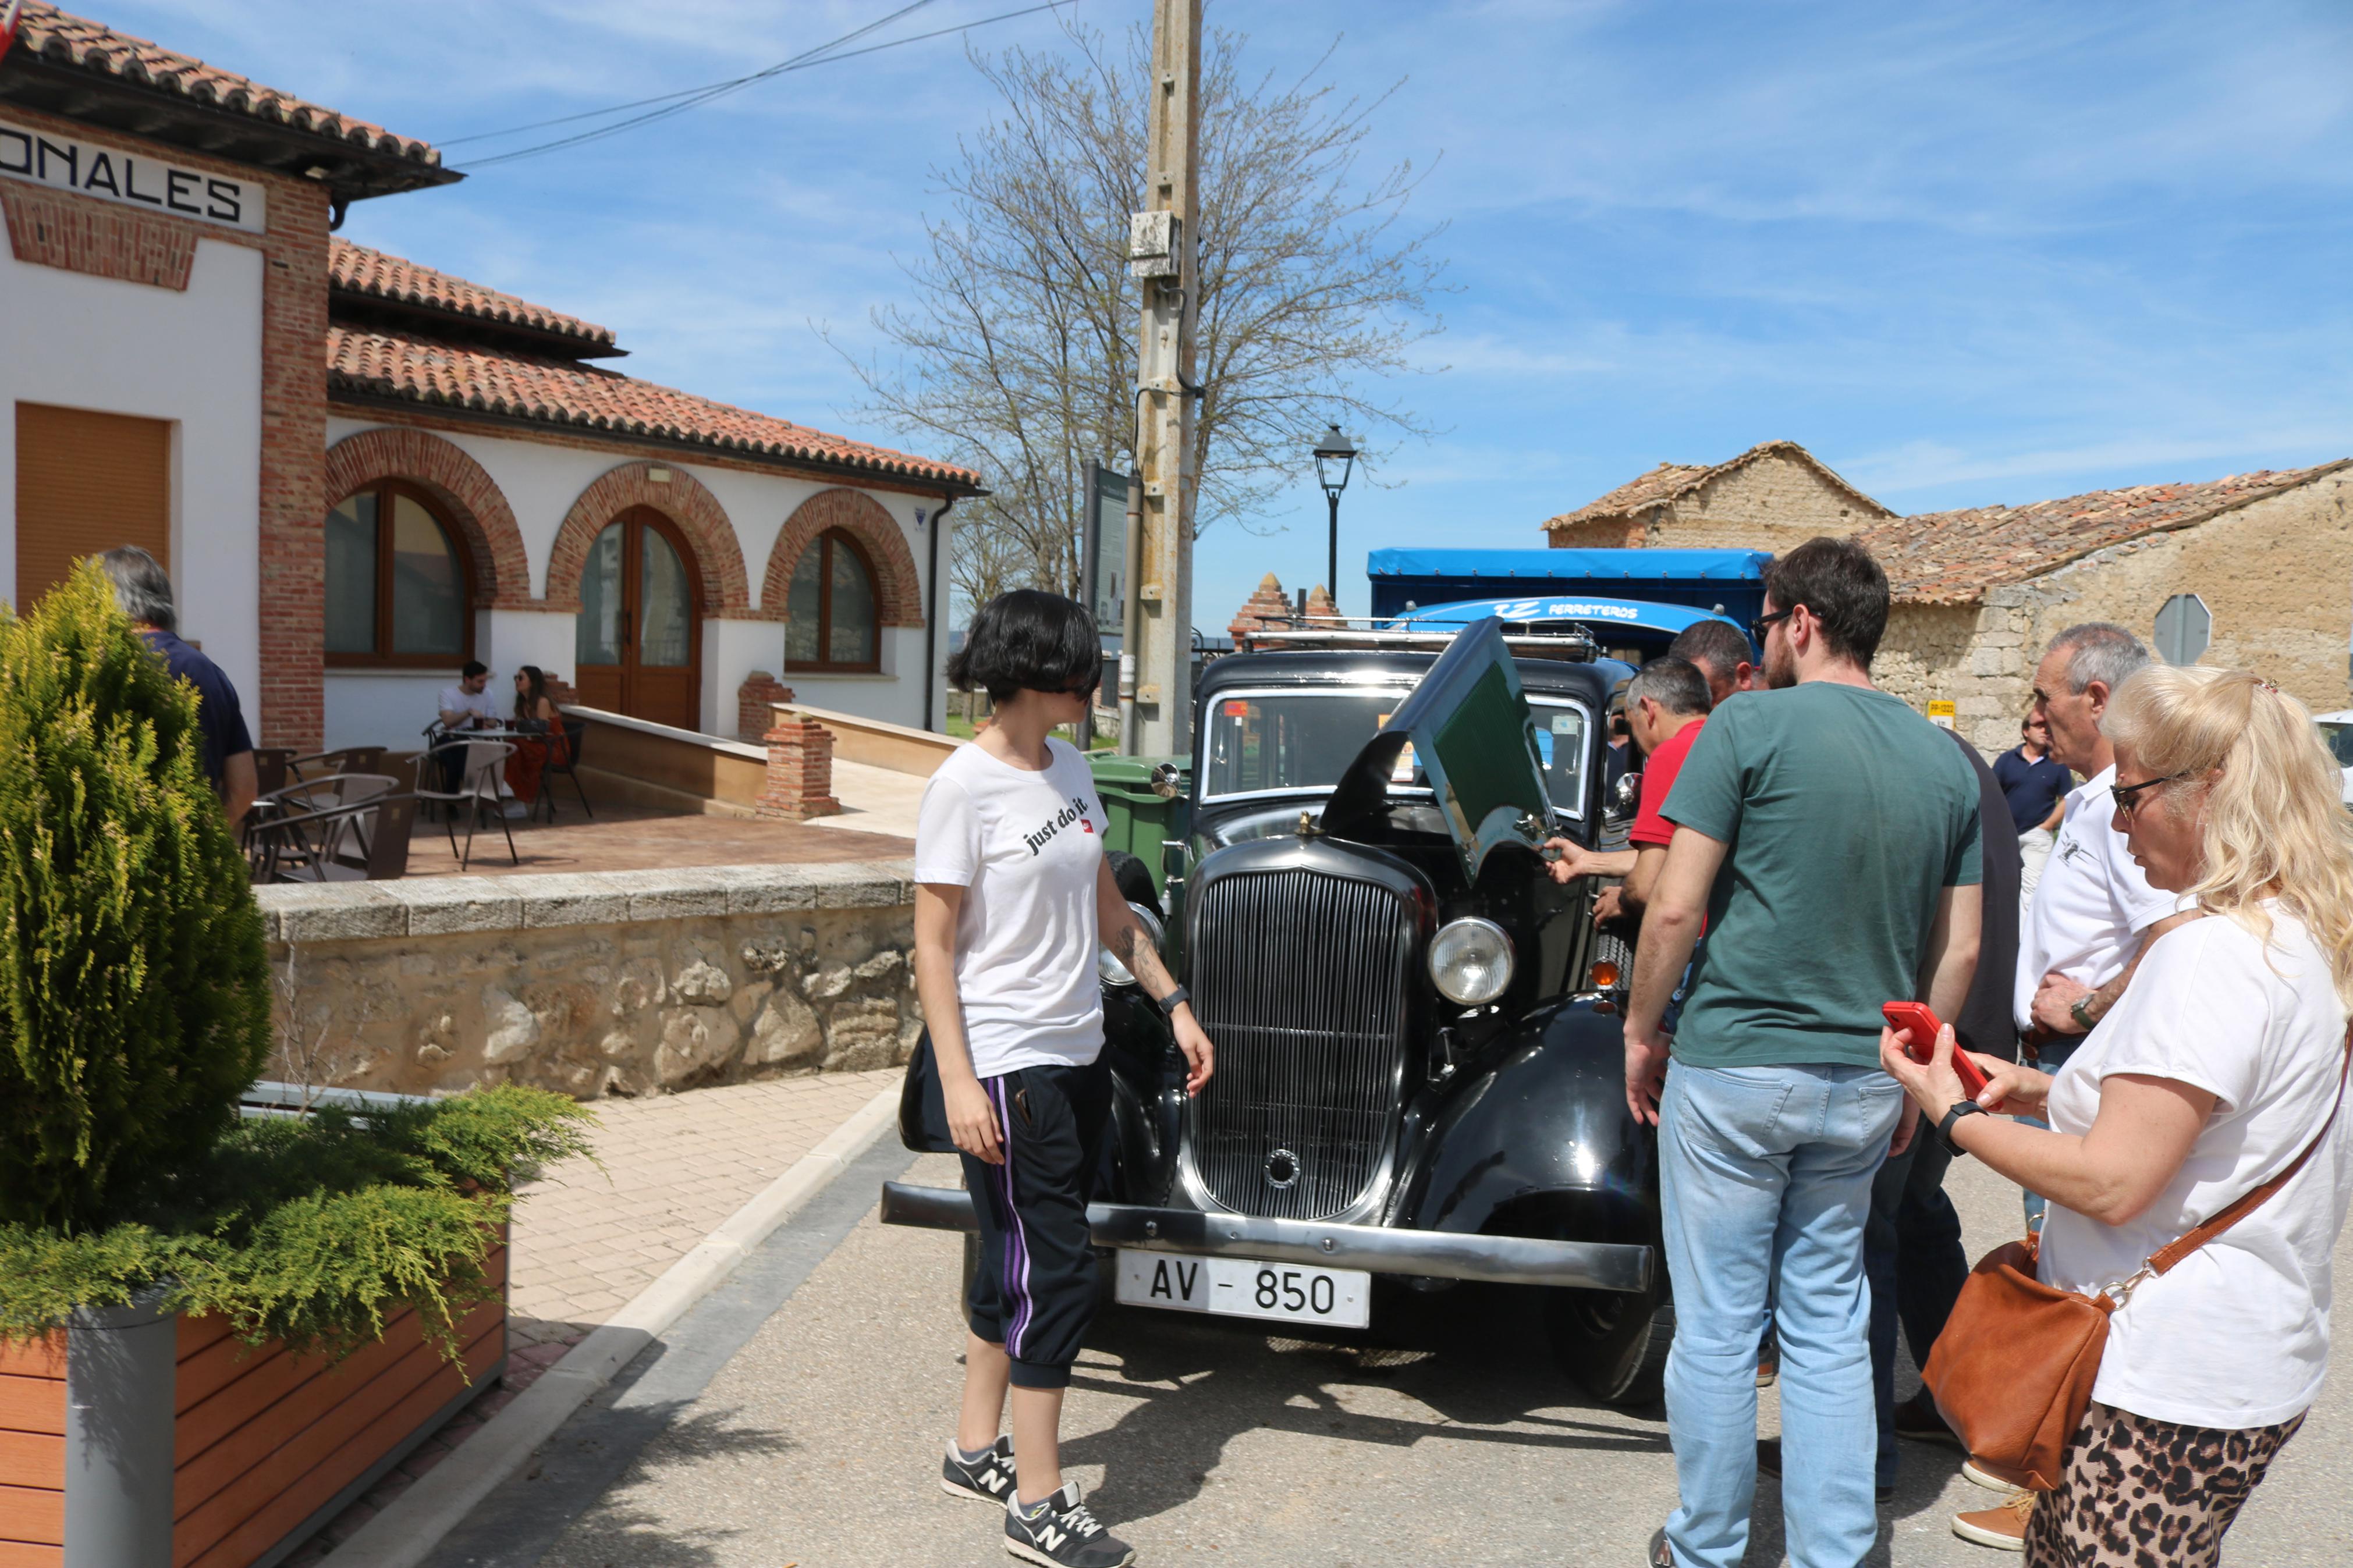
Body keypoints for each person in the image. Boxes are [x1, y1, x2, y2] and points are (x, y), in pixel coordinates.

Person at [1883, 666, 2353, 1566]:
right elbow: (2221, 1116)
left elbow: (2113, 1178)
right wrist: (2036, 1090)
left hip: (2166, 1375)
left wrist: (1950, 1115)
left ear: (2205, 791)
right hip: (2235, 1358)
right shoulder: (2293, 929)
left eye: (2129, 790)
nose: (2113, 812)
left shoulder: (2208, 955)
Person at [1628, 537, 1982, 1568]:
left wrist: (1639, 1034)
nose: (1761, 641)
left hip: (1736, 1064)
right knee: (1829, 1323)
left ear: (1800, 622)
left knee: (1720, 1328)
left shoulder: (1743, 725)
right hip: (1866, 1078)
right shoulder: (1942, 758)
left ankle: (1705, 1547)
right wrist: (1920, 1076)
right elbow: (1954, 947)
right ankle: (1835, 1553)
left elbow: (1672, 911)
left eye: (1768, 618)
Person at [912, 589, 1214, 1568]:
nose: (1095, 681)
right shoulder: (962, 786)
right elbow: (930, 946)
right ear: (1032, 673)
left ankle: (973, 1448)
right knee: (1057, 1273)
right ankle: (1036, 1504)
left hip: (1077, 1052)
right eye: (1081, 668)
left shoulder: (1072, 769)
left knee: (1013, 1254)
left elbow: (1110, 915)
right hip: (1008, 1065)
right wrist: (959, 1082)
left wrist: (1173, 1003)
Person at [2014, 625, 2197, 1237]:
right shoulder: (2093, 799)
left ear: (2096, 698)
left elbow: (2174, 928)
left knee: (2065, 1263)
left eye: (2044, 698)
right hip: (2062, 1055)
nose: (2035, 717)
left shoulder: (2117, 808)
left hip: (2079, 1054)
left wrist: (2086, 1010)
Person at [1545, 655, 1711, 926]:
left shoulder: (1670, 754)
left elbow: (1643, 890)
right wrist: (1587, 861)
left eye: (1633, 726)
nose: (1637, 741)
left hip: (1697, 939)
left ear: (1648, 708)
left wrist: (1622, 900)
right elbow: (1674, 855)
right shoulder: (1729, 741)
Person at [98, 546, 255, 828]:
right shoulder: (212, 674)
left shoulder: (103, 668)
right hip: (193, 862)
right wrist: (205, 839)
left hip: (116, 858)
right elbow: (244, 789)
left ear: (110, 602)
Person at [502, 666, 570, 815]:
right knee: (511, 746)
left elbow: (541, 732)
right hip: (537, 745)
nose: (517, 681)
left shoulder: (542, 702)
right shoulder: (523, 703)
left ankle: (518, 797)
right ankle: (512, 794)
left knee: (516, 746)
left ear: (532, 682)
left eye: (521, 678)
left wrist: (520, 732)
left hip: (554, 748)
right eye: (516, 677)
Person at [1669, 617, 1761, 707]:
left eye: (1707, 697)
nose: (1693, 714)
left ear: (1743, 676)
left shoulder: (1773, 716)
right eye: (1683, 701)